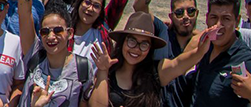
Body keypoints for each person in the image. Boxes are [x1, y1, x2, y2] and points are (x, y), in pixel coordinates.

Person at [89, 11, 220, 107]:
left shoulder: (156, 72)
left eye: (144, 44)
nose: (136, 49)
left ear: (150, 48)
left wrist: (200, 51)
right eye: (132, 41)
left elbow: (178, 64)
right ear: (123, 41)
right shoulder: (108, 70)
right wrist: (102, 71)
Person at [180, 0, 251, 107]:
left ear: (237, 21)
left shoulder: (245, 61)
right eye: (214, 17)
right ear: (207, 18)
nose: (218, 25)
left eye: (226, 19)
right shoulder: (205, 48)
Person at [15, 5, 99, 107]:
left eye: (58, 30)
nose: (50, 37)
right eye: (45, 32)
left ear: (70, 33)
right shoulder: (34, 54)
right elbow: (24, 13)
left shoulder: (82, 67)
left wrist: (103, 71)